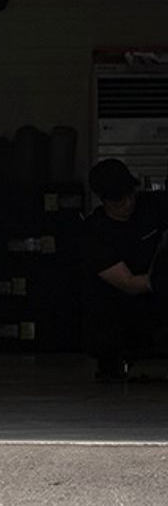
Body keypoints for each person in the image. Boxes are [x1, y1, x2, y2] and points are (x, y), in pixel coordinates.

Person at [79, 157, 166, 382]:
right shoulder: (94, 233)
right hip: (118, 308)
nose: (128, 203)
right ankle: (113, 359)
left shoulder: (150, 206)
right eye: (119, 201)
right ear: (103, 200)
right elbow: (128, 284)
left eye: (130, 195)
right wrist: (159, 280)